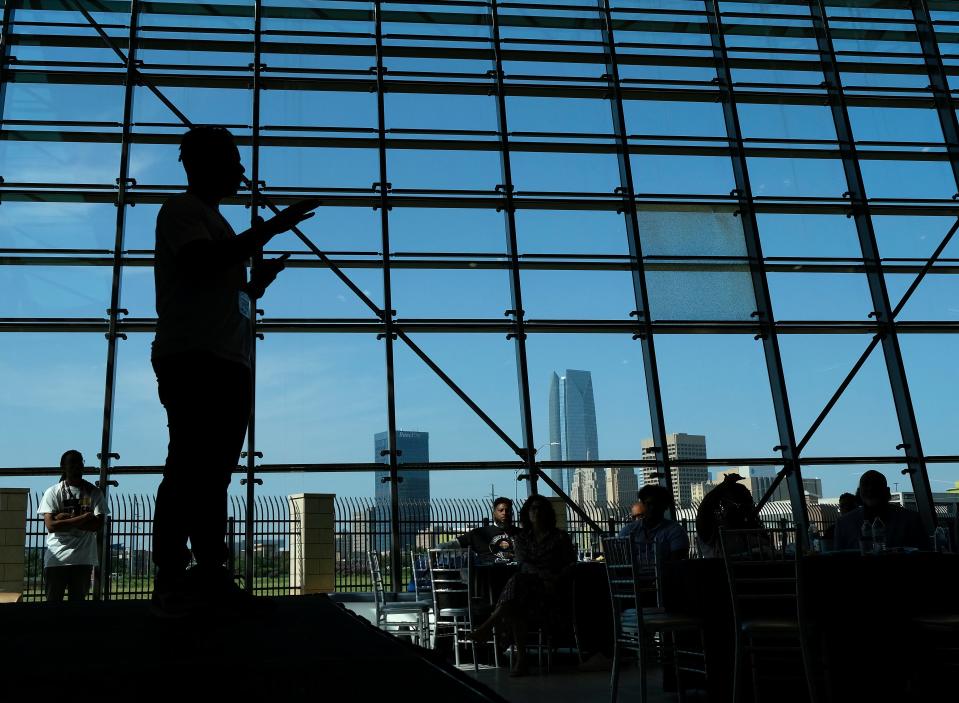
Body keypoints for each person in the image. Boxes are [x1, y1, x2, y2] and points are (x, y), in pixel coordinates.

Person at [150, 126, 319, 616]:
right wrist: (271, 228)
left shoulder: (215, 222)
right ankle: (177, 573)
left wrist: (255, 287)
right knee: (192, 466)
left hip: (222, 359)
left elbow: (219, 289)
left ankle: (202, 568)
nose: (241, 170)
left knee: (209, 470)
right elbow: (201, 264)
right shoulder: (182, 212)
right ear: (203, 164)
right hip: (198, 358)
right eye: (232, 160)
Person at [468, 495, 576, 676]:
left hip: (552, 593)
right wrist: (545, 576)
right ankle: (520, 658)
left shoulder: (560, 537)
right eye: (533, 508)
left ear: (548, 513)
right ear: (527, 513)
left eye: (541, 508)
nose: (537, 512)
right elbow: (523, 563)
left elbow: (571, 565)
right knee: (519, 594)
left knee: (518, 587)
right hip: (533, 590)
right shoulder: (523, 538)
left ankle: (491, 627)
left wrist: (554, 579)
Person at [37, 450, 108, 603]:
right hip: (58, 559)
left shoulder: (94, 493)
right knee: (55, 603)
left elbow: (97, 525)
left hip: (82, 559)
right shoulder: (53, 492)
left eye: (80, 462)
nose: (77, 466)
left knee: (76, 606)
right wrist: (84, 517)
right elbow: (51, 526)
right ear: (63, 467)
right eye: (72, 463)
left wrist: (63, 518)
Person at [833, 470, 926, 551]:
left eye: (876, 484)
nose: (870, 488)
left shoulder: (843, 523)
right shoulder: (910, 519)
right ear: (887, 491)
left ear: (859, 492)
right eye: (866, 484)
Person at [695, 473, 761, 558]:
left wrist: (724, 485)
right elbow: (705, 507)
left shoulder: (713, 533)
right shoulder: (713, 531)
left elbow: (705, 506)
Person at [618, 484, 689, 562]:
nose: (651, 508)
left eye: (656, 504)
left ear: (665, 506)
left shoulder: (628, 530)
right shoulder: (675, 531)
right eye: (648, 504)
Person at [448, 497, 520, 560]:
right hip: (487, 574)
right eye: (501, 510)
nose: (504, 513)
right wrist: (440, 548)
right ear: (494, 513)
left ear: (512, 513)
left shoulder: (522, 533)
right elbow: (455, 543)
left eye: (507, 510)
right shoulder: (479, 533)